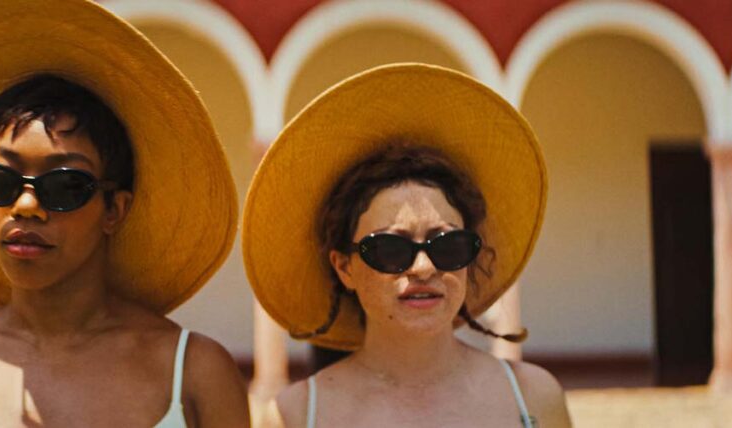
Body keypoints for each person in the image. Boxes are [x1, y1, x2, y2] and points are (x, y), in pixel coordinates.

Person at [0, 0, 248, 426]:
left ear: (114, 209)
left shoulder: (196, 376)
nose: (25, 206)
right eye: (1, 181)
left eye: (64, 186)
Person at [244, 63, 571, 427]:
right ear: (344, 267)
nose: (423, 268)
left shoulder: (533, 398)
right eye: (391, 250)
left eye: (447, 245)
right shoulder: (294, 415)